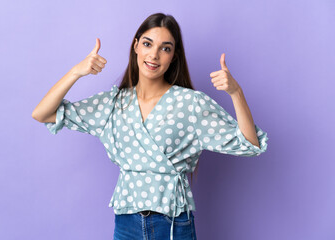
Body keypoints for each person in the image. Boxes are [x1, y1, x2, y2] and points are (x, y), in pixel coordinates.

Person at [32, 12, 269, 240]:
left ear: (173, 56)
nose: (154, 55)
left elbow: (250, 144)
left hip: (173, 224)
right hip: (126, 224)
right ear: (136, 46)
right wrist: (77, 71)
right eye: (147, 44)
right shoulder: (113, 104)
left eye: (165, 48)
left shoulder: (190, 104)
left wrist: (235, 92)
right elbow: (43, 113)